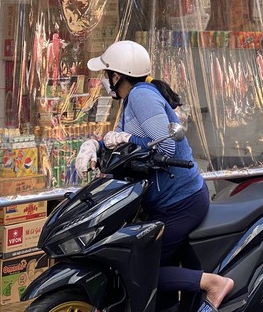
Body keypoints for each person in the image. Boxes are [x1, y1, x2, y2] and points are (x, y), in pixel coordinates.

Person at [75, 41, 234, 310]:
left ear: (117, 76)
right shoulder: (131, 99)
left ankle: (213, 284)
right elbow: (129, 144)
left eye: (105, 75)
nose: (104, 81)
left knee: (139, 270)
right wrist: (96, 146)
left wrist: (125, 137)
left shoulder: (141, 97)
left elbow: (165, 144)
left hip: (180, 203)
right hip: (165, 203)